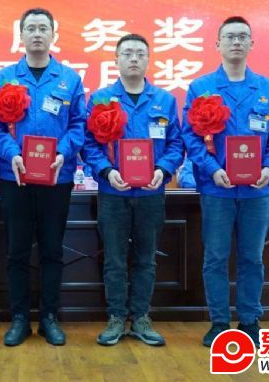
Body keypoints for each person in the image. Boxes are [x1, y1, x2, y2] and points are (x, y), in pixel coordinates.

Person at [182, 16, 269, 347]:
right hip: (217, 189)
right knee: (215, 257)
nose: (237, 42)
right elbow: (191, 137)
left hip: (257, 191)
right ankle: (218, 322)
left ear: (252, 44)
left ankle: (249, 320)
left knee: (252, 258)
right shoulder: (201, 88)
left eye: (243, 36)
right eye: (230, 37)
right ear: (217, 44)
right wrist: (212, 168)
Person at [0, 8, 86, 346]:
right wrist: (12, 153)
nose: (37, 34)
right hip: (15, 176)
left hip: (57, 176)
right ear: (22, 35)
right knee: (16, 250)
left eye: (43, 28)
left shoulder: (69, 79)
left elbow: (79, 126)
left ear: (53, 34)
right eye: (31, 28)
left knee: (52, 249)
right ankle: (19, 319)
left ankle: (49, 317)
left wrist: (63, 153)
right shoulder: (4, 78)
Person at [81, 34, 183, 346]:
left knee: (146, 259)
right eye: (127, 53)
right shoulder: (101, 100)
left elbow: (176, 144)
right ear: (116, 60)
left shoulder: (164, 100)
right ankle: (115, 317)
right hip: (114, 193)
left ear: (149, 60)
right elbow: (89, 145)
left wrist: (162, 170)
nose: (134, 58)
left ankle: (140, 317)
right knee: (114, 259)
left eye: (140, 53)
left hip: (151, 193)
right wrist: (107, 171)